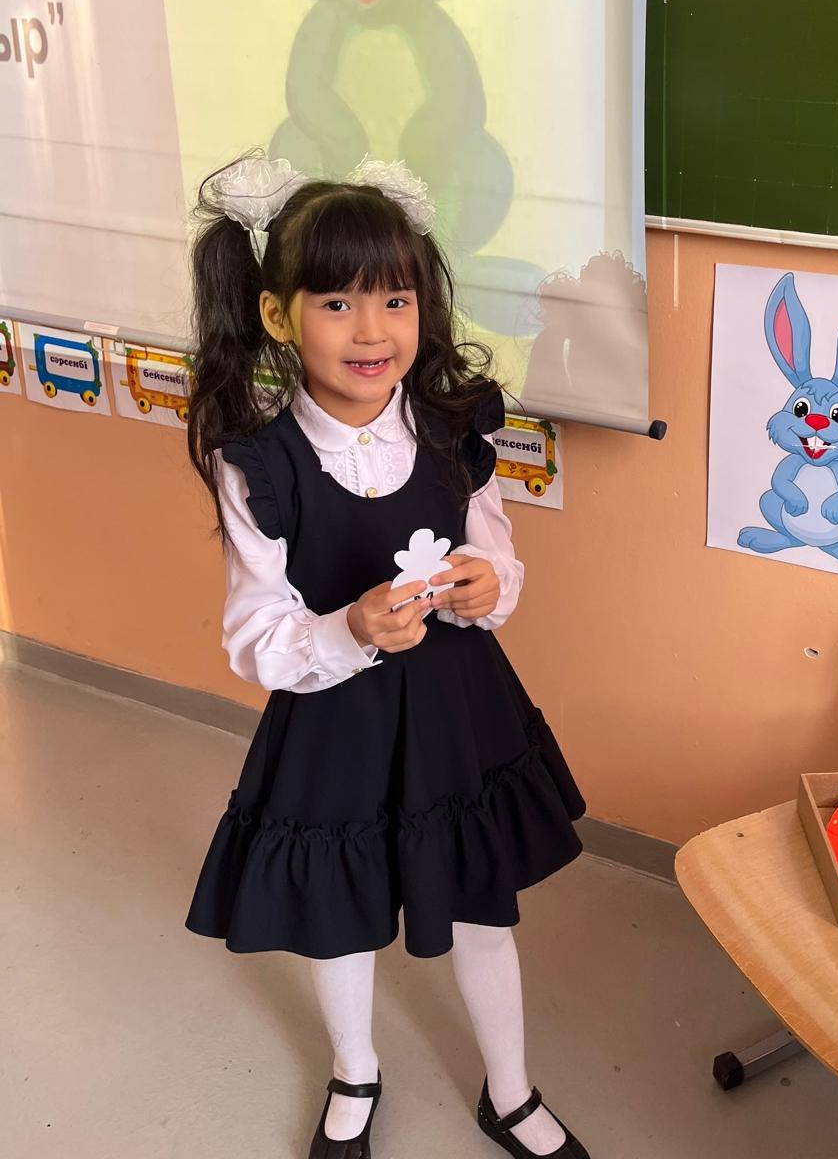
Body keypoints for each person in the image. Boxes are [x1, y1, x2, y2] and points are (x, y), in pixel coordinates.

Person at [183, 154, 590, 1158]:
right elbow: (255, 632)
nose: (373, 331)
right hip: (337, 721)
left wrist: (490, 585)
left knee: (482, 905)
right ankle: (354, 1072)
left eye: (395, 299)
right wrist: (349, 631)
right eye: (337, 302)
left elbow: (496, 551)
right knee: (340, 906)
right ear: (278, 316)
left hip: (458, 712)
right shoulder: (259, 463)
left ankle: (510, 1090)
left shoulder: (455, 428)